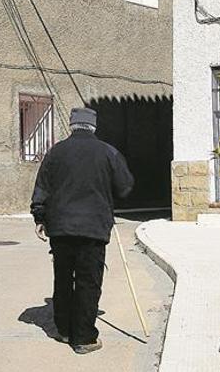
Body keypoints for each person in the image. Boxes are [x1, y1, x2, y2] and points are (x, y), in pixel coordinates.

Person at [30, 107, 134, 354]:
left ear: (72, 125)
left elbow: (42, 187)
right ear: (93, 126)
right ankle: (84, 338)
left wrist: (40, 217)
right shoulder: (108, 152)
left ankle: (64, 330)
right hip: (93, 228)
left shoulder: (56, 152)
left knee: (63, 278)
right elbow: (125, 187)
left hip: (61, 229)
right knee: (88, 281)